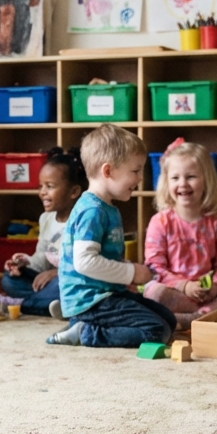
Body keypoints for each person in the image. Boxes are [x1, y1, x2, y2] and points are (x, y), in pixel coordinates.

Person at [47, 124, 176, 347]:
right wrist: (131, 272)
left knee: (169, 320)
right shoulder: (92, 210)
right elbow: (85, 262)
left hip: (106, 293)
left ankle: (80, 322)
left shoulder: (108, 208)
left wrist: (126, 276)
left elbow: (105, 258)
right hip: (92, 299)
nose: (139, 179)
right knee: (157, 331)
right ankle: (87, 331)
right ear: (108, 171)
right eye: (135, 171)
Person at [142, 139, 217, 329]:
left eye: (191, 177)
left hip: (210, 295)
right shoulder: (160, 221)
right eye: (175, 178)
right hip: (176, 294)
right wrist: (185, 286)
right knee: (153, 292)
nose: (183, 184)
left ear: (206, 179)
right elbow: (155, 269)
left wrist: (214, 287)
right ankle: (208, 316)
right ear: (166, 182)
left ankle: (196, 317)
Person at [1, 147, 85, 317]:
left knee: (63, 285)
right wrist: (24, 263)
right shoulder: (46, 219)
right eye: (41, 186)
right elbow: (42, 257)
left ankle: (25, 304)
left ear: (74, 191)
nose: (42, 192)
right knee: (9, 280)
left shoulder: (83, 220)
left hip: (70, 280)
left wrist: (56, 273)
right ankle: (52, 305)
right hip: (47, 282)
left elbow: (86, 265)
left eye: (50, 186)